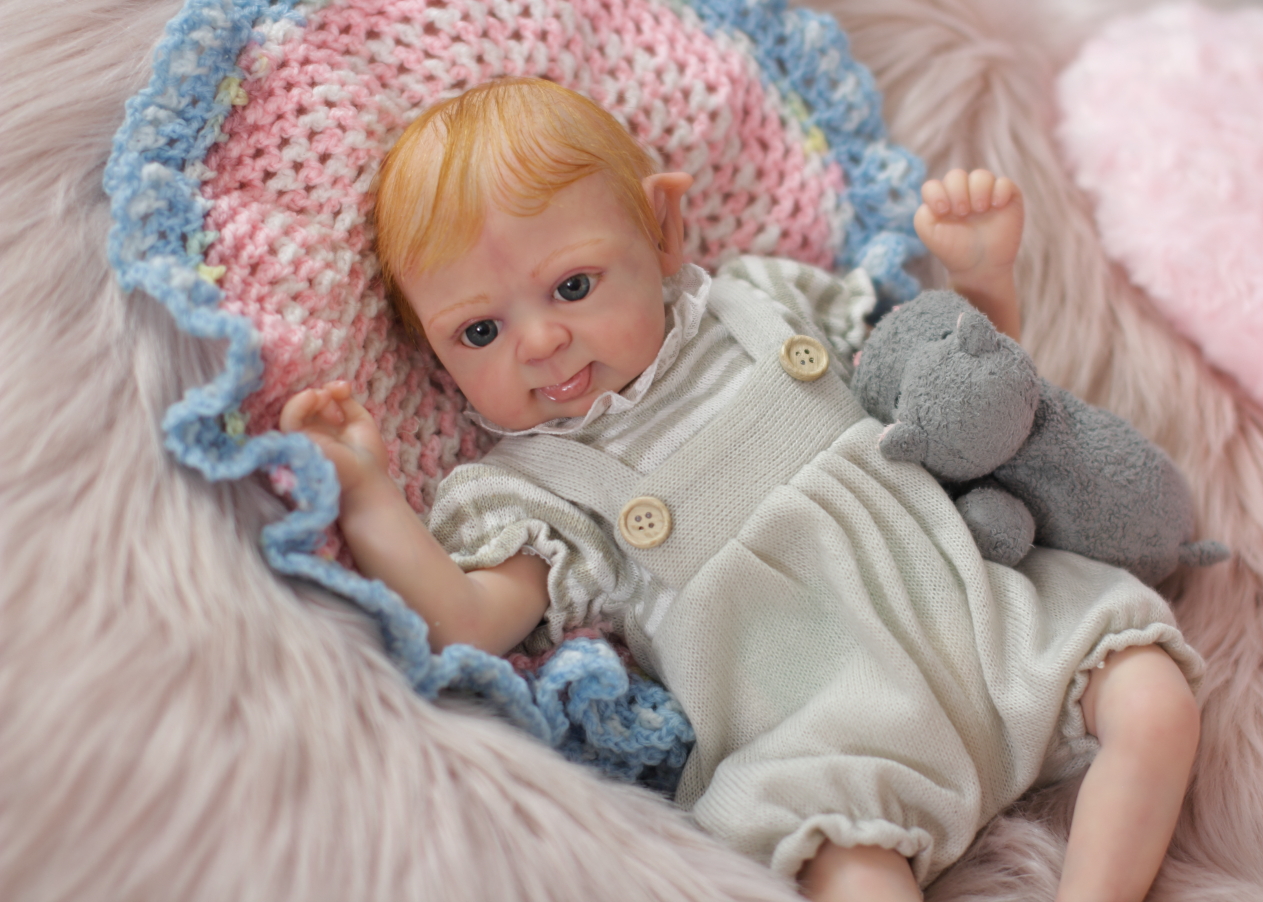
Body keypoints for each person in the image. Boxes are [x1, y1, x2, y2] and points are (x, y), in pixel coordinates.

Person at [280, 78, 1202, 902]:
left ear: (663, 230)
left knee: (1153, 700)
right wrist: (366, 494)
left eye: (573, 285)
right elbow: (467, 624)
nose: (540, 342)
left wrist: (981, 280)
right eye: (478, 333)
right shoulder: (535, 487)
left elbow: (965, 404)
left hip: (980, 619)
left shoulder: (768, 305)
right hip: (823, 731)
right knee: (849, 873)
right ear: (433, 353)